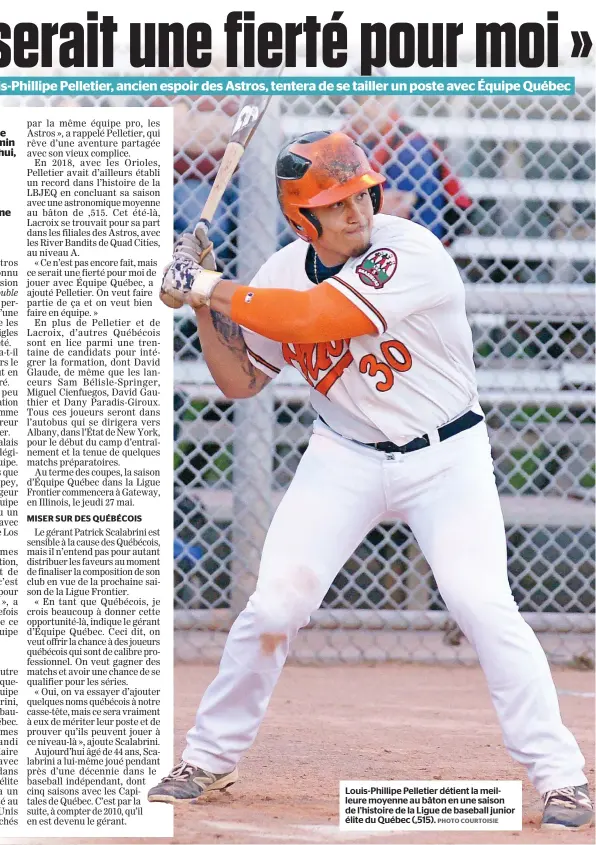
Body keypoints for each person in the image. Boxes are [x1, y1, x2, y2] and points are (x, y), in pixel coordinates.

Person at [150, 131, 593, 831]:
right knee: (272, 608)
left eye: (360, 193)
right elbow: (239, 381)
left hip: (446, 455)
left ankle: (561, 776)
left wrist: (207, 285)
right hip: (344, 456)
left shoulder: (407, 250)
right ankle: (209, 755)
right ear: (303, 219)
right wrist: (208, 306)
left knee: (481, 602)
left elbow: (310, 318)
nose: (356, 210)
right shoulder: (278, 272)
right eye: (335, 202)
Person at [343, 97, 472, 244]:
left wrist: (347, 203)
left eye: (377, 99)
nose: (366, 108)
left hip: (416, 240)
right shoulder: (342, 139)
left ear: (391, 101)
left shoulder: (412, 147)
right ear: (346, 104)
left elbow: (393, 212)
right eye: (358, 100)